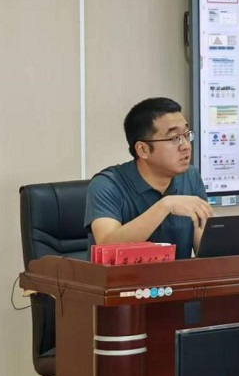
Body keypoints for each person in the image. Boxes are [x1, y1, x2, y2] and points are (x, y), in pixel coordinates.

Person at [84, 97, 213, 260]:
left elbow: (205, 250)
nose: (186, 146)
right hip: (126, 277)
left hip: (178, 276)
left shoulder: (190, 177)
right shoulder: (107, 185)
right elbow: (107, 245)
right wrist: (165, 206)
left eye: (186, 135)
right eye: (174, 138)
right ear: (142, 149)